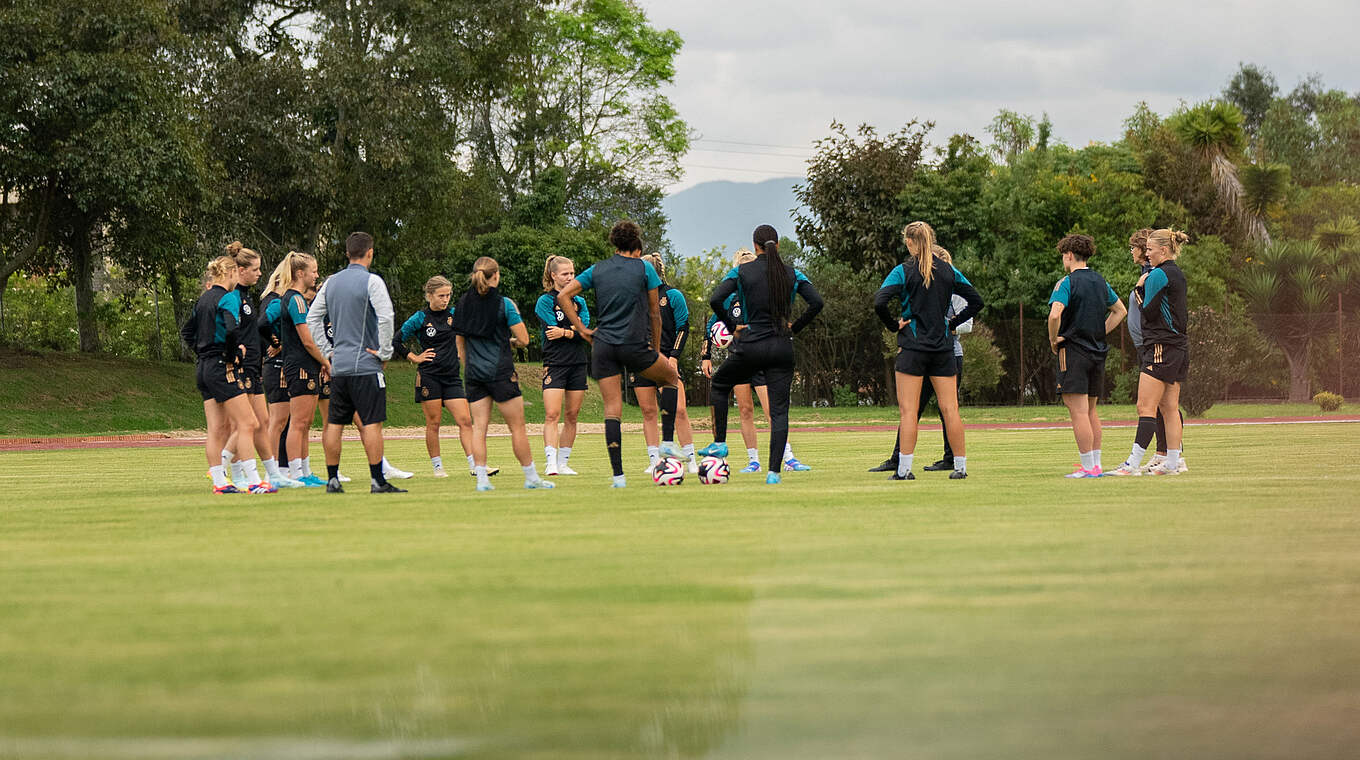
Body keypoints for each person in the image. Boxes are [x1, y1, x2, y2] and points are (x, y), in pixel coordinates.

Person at [555, 220, 683, 488]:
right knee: (670, 378)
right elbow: (654, 313)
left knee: (613, 409)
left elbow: (563, 295)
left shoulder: (598, 269)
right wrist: (656, 349)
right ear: (635, 242)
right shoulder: (644, 267)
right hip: (634, 344)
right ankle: (668, 444)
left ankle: (619, 478)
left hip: (603, 345)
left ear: (613, 242)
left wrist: (582, 330)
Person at [698, 224, 824, 485]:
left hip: (751, 346)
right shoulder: (793, 273)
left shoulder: (742, 271)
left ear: (755, 247)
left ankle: (720, 443)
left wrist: (733, 327)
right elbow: (817, 303)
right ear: (777, 245)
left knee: (720, 384)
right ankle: (773, 473)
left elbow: (715, 299)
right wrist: (795, 327)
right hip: (781, 347)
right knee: (779, 412)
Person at [873, 221, 983, 481]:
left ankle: (904, 470)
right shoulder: (948, 271)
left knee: (909, 412)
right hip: (943, 349)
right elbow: (976, 300)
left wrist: (894, 325)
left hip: (912, 348)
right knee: (950, 409)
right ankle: (960, 467)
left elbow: (880, 301)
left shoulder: (902, 270)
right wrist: (952, 323)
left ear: (910, 242)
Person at [307, 232, 405, 493]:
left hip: (340, 366)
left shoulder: (331, 283)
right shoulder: (372, 281)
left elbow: (312, 318)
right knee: (372, 422)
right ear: (370, 252)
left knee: (335, 423)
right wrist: (385, 352)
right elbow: (386, 316)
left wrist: (329, 351)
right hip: (366, 365)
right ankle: (377, 480)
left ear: (347, 253)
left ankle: (332, 479)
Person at [453, 257, 553, 492]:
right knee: (517, 427)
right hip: (500, 372)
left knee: (479, 428)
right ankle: (531, 477)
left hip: (475, 374)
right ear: (495, 276)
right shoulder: (504, 304)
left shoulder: (462, 304)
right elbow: (525, 339)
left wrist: (469, 366)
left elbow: (460, 343)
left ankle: (482, 480)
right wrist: (511, 342)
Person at [180, 254, 276, 494]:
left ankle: (220, 482)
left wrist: (203, 351)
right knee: (248, 423)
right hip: (223, 366)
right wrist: (235, 354)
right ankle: (254, 481)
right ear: (232, 273)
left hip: (203, 367)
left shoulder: (203, 300)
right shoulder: (228, 298)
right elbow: (232, 330)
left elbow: (187, 331)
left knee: (217, 429)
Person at [395, 275, 497, 479]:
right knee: (434, 423)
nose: (445, 299)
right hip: (429, 376)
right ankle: (438, 467)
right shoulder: (420, 318)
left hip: (452, 377)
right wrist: (414, 357)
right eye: (441, 295)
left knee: (465, 420)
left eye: (448, 295)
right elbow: (397, 341)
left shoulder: (454, 314)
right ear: (429, 295)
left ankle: (475, 466)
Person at [311, 284, 413, 483]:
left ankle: (380, 466)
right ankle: (337, 472)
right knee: (333, 423)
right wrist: (324, 362)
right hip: (331, 372)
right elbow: (314, 341)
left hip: (345, 371)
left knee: (361, 422)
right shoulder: (324, 318)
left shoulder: (344, 317)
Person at [1110, 229, 1190, 476]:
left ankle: (1132, 464)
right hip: (1178, 347)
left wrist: (1138, 287)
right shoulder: (1177, 273)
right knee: (1169, 407)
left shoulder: (1157, 275)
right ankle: (1173, 462)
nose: (1147, 254)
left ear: (1163, 250)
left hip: (1160, 347)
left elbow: (1149, 311)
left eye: (1150, 250)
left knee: (1145, 406)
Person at [1047, 234, 1127, 478]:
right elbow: (1120, 310)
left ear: (1069, 255)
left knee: (1078, 412)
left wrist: (1053, 339)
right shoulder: (1100, 281)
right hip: (1097, 352)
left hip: (1073, 353)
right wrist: (1097, 331)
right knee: (1091, 411)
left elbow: (1054, 314)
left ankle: (1087, 467)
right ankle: (1096, 464)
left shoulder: (1066, 283)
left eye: (1063, 256)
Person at [634, 253, 698, 474]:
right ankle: (654, 461)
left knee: (679, 410)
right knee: (648, 411)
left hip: (665, 361)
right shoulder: (636, 299)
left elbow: (683, 327)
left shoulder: (672, 295)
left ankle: (690, 460)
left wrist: (674, 356)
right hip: (641, 360)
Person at [276, 252, 328, 487]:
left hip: (307, 365)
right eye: (314, 271)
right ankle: (295, 473)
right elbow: (307, 341)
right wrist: (327, 362)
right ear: (300, 273)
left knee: (306, 422)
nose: (316, 275)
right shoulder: (295, 299)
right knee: (298, 422)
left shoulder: (296, 298)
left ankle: (305, 471)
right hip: (299, 365)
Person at [535, 255, 590, 476]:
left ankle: (564, 462)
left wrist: (566, 332)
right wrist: (573, 332)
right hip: (555, 363)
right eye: (565, 274)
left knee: (572, 415)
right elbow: (551, 331)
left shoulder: (580, 302)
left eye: (572, 273)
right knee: (551, 414)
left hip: (578, 363)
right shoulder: (546, 301)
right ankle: (551, 463)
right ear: (553, 275)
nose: (569, 277)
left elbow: (585, 332)